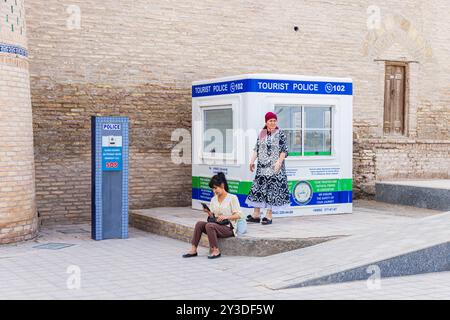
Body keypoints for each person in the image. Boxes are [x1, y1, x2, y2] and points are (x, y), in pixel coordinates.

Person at [183, 172, 245, 259]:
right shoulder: (213, 199)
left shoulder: (232, 198)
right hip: (216, 225)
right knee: (199, 224)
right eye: (213, 189)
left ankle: (216, 251)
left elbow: (239, 215)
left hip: (228, 227)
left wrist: (226, 217)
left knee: (209, 225)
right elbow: (213, 217)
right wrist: (208, 212)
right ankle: (193, 250)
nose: (214, 191)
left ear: (222, 185)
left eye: (215, 188)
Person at [245, 111, 290, 225]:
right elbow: (257, 149)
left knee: (272, 190)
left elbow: (284, 150)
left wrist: (279, 162)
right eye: (270, 120)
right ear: (266, 122)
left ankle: (269, 216)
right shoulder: (262, 134)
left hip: (275, 168)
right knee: (258, 189)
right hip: (262, 168)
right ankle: (256, 215)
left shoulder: (280, 134)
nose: (273, 122)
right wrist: (251, 161)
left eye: (274, 120)